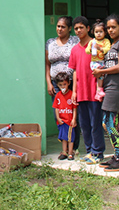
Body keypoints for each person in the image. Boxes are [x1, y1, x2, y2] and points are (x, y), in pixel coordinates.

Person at [92, 14, 119, 171]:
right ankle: (117, 155)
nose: (110, 30)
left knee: (109, 122)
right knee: (110, 122)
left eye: (114, 27)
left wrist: (102, 72)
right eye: (108, 27)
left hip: (116, 87)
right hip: (108, 87)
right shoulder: (109, 45)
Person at [69, 16, 105, 164]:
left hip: (94, 90)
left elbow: (101, 65)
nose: (78, 31)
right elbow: (75, 71)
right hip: (81, 91)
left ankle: (98, 152)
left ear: (88, 28)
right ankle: (89, 151)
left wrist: (100, 87)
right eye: (76, 28)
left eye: (81, 28)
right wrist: (75, 92)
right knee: (84, 124)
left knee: (95, 122)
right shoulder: (75, 49)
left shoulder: (95, 45)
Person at [45, 16, 81, 151]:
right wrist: (49, 82)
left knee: (72, 114)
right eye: (58, 26)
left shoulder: (75, 41)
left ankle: (74, 147)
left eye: (63, 27)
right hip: (56, 84)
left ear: (69, 28)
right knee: (59, 115)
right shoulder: (50, 42)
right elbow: (47, 64)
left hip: (71, 83)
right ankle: (64, 148)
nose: (59, 29)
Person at [52, 72, 77, 161]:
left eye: (65, 84)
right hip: (62, 121)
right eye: (60, 85)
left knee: (70, 138)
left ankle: (70, 153)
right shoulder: (58, 95)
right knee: (63, 137)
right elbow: (56, 108)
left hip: (69, 121)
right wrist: (58, 118)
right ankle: (64, 152)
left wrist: (74, 119)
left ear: (69, 83)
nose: (63, 86)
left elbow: (74, 108)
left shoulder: (71, 94)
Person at [86, 19, 111, 102]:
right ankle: (99, 90)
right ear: (93, 32)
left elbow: (108, 49)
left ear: (105, 33)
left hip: (102, 61)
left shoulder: (106, 41)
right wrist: (90, 48)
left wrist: (100, 48)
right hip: (94, 62)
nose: (99, 34)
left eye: (101, 31)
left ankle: (99, 92)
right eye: (97, 32)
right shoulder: (92, 41)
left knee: (102, 75)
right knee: (100, 72)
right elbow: (86, 51)